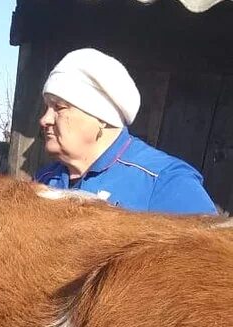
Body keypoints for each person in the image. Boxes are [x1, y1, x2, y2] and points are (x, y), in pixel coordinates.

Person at [35, 48, 217, 214]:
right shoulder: (44, 180)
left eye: (59, 108)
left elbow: (210, 249)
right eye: (47, 108)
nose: (45, 119)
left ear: (101, 117)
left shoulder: (165, 182)